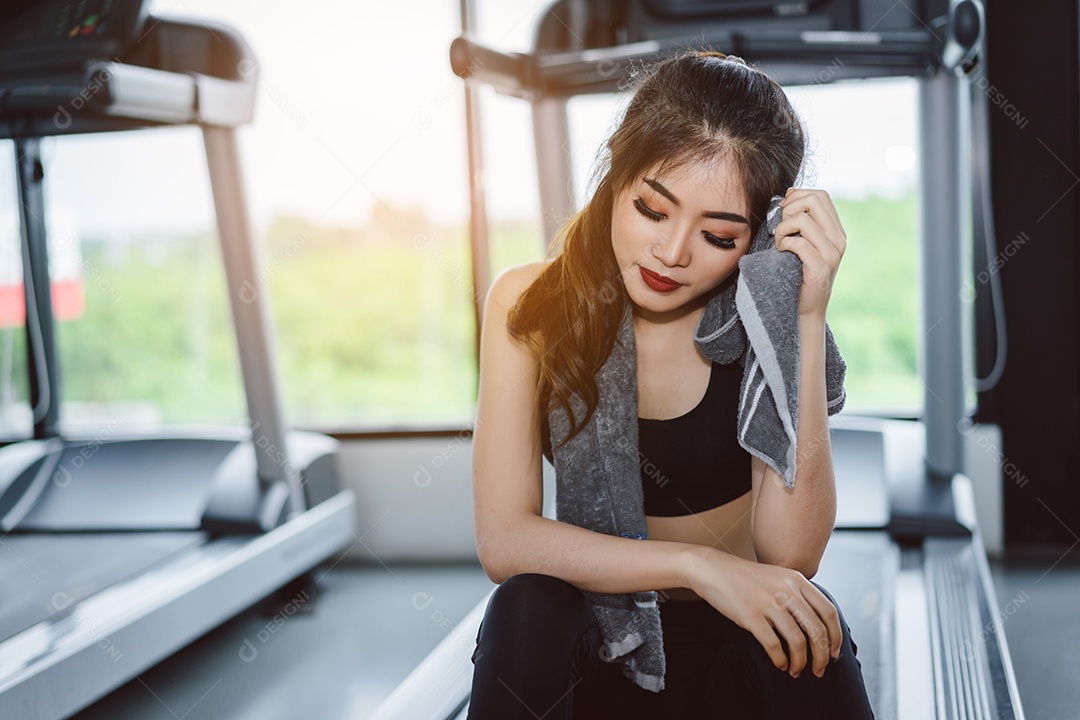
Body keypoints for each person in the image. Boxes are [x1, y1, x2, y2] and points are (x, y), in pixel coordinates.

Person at [466, 50, 875, 718]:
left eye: (717, 234)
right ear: (614, 177)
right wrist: (699, 565)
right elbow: (506, 541)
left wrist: (802, 314)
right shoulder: (526, 303)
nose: (673, 251)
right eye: (653, 210)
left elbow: (791, 555)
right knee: (526, 608)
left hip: (736, 642)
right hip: (604, 639)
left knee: (804, 619)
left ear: (756, 236)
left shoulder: (763, 315)